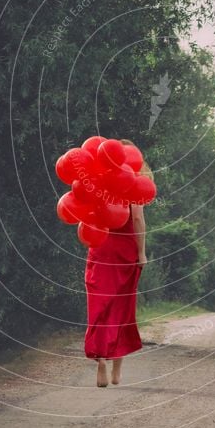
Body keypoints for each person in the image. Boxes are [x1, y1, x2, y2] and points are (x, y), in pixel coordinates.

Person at [83, 140, 152, 387]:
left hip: (100, 249)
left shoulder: (97, 179)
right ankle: (116, 371)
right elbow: (137, 219)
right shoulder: (134, 184)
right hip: (124, 252)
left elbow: (84, 212)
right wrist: (142, 253)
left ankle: (100, 361)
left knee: (99, 306)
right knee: (122, 309)